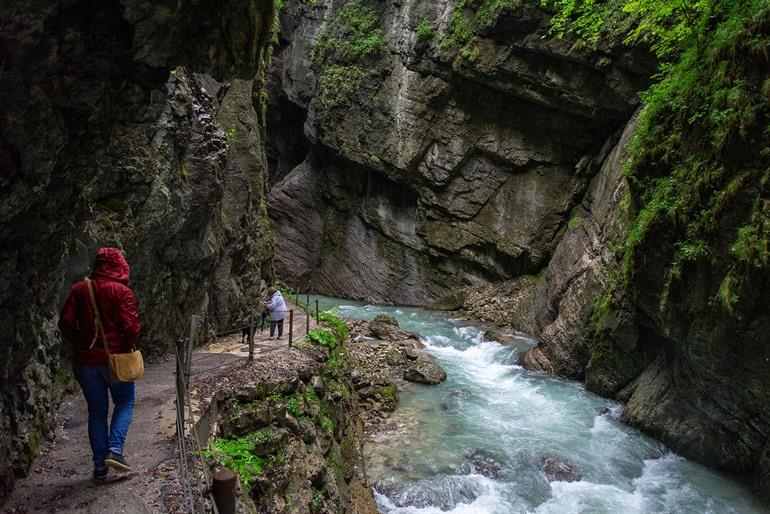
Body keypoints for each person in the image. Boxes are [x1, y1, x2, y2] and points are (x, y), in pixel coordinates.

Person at [58, 247, 140, 480]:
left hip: (85, 362)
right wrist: (126, 345)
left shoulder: (79, 290)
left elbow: (65, 323)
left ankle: (99, 467)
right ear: (119, 265)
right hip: (116, 361)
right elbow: (132, 327)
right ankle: (115, 451)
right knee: (125, 401)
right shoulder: (122, 292)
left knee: (96, 412)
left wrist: (81, 342)